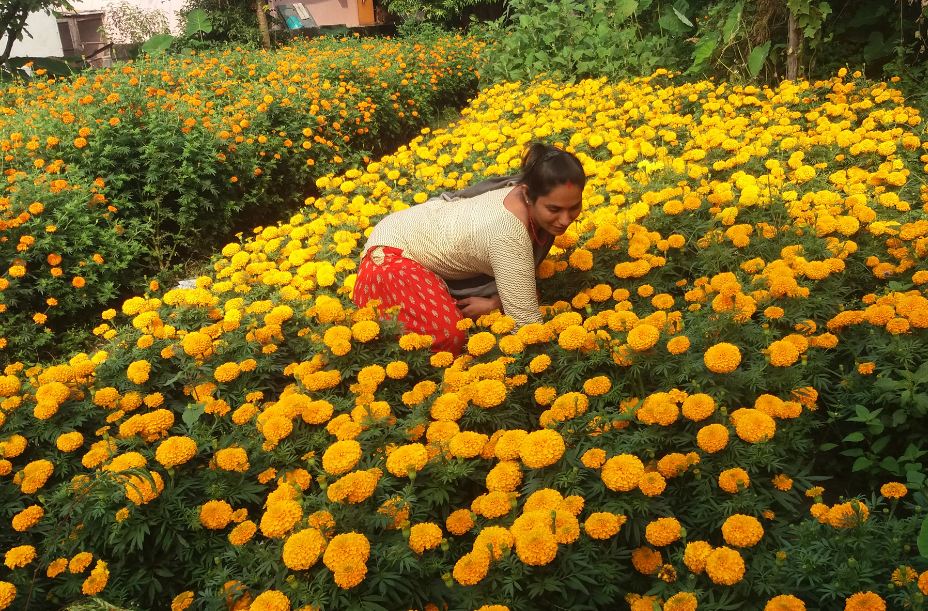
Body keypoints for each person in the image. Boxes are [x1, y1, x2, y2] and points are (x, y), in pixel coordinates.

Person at [352, 142, 587, 354]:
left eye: (574, 207)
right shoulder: (507, 233)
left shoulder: (534, 186)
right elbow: (527, 325)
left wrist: (495, 303)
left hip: (428, 229)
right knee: (449, 337)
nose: (565, 220)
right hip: (392, 253)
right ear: (527, 195)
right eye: (554, 210)